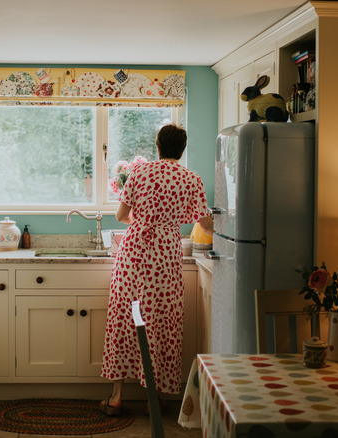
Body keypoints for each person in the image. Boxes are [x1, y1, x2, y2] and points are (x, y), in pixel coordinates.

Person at [100, 123, 214, 415]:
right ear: (182, 148)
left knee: (125, 319)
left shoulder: (139, 172)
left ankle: (115, 397)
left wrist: (141, 223)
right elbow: (205, 224)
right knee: (162, 321)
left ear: (158, 145)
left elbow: (121, 214)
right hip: (165, 255)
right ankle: (157, 397)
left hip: (134, 253)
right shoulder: (191, 179)